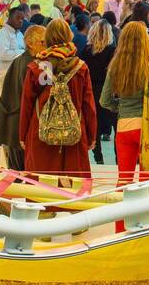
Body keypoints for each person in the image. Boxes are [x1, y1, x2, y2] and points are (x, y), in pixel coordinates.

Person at [100, 22, 149, 232]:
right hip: (145, 129)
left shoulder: (115, 66)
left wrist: (120, 107)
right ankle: (146, 225)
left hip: (123, 127)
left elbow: (104, 100)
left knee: (125, 179)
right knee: (146, 180)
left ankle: (120, 227)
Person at [20, 18, 96, 179]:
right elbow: (88, 104)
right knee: (72, 184)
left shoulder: (36, 68)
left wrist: (22, 135)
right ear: (69, 36)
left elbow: (26, 104)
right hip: (74, 134)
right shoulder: (81, 68)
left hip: (41, 133)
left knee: (41, 185)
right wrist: (91, 135)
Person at [0, 23, 46, 170]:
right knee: (26, 175)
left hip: (14, 126)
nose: (46, 45)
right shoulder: (37, 65)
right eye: (42, 42)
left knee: (17, 173)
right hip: (24, 128)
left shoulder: (19, 60)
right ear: (30, 43)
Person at [82, 17, 116, 164]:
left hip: (91, 90)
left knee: (94, 125)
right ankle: (118, 158)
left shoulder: (86, 51)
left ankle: (98, 157)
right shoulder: (112, 51)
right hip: (108, 91)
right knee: (115, 125)